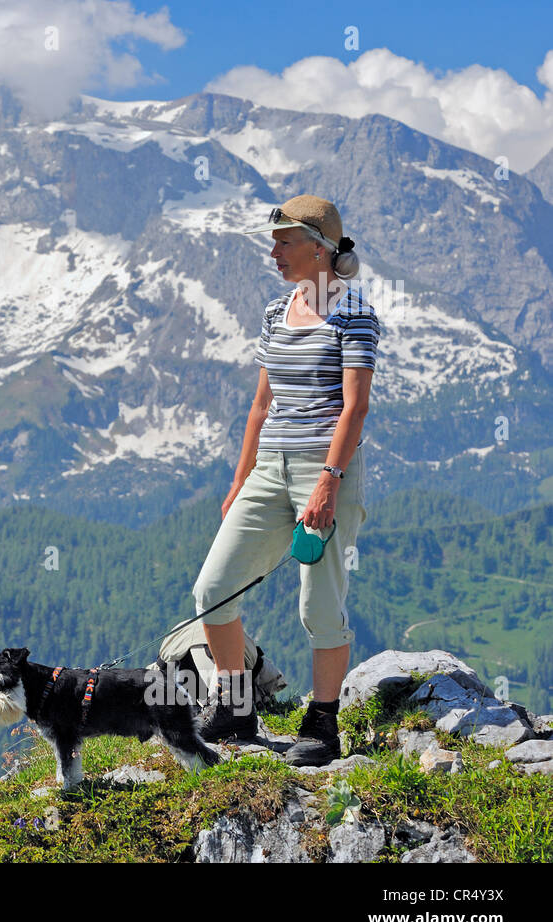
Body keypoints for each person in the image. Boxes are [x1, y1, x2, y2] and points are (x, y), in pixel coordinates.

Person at [191, 195, 378, 767]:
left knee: (319, 606)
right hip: (269, 468)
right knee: (213, 591)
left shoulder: (354, 314)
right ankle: (237, 704)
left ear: (320, 250)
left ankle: (324, 724)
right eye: (274, 242)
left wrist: (327, 483)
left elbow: (355, 408)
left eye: (284, 242)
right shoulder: (276, 314)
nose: (274, 252)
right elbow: (259, 405)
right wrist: (239, 479)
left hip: (327, 472)